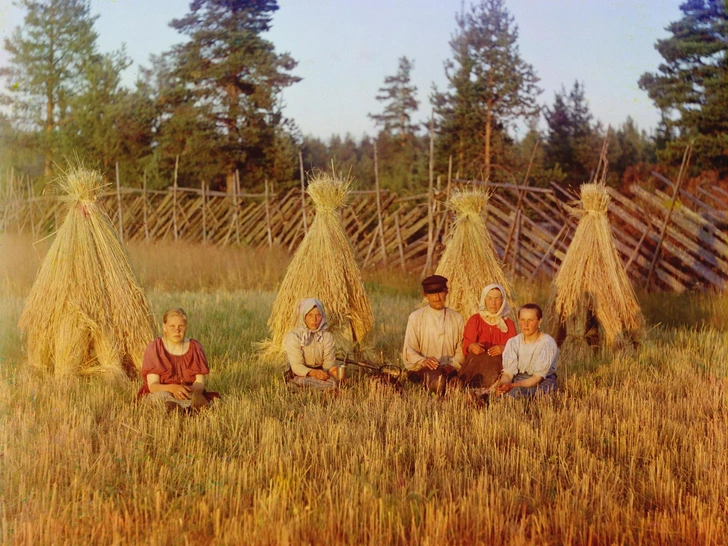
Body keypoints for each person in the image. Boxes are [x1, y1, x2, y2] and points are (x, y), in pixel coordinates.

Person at [138, 308, 218, 412]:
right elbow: (153, 386)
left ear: (186, 327)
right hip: (163, 391)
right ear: (164, 327)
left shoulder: (195, 347)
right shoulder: (155, 347)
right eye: (172, 326)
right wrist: (173, 388)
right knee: (162, 397)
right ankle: (177, 409)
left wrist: (184, 391)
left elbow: (200, 383)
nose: (177, 330)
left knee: (195, 396)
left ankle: (190, 407)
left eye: (181, 326)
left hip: (188, 392)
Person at [402, 275, 465, 394]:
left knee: (457, 387)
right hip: (423, 369)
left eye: (440, 292)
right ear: (425, 295)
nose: (437, 298)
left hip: (450, 370)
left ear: (447, 292)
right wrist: (423, 361)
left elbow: (461, 349)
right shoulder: (416, 317)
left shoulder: (457, 318)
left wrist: (452, 365)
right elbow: (409, 350)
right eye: (432, 294)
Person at [491, 303, 558, 399]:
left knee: (518, 394)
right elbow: (508, 374)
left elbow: (536, 378)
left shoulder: (547, 343)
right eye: (522, 320)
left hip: (542, 380)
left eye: (530, 320)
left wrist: (513, 386)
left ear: (539, 321)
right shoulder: (513, 342)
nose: (526, 324)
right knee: (500, 395)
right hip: (519, 379)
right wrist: (504, 386)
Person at [458, 284, 517, 388]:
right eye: (489, 298)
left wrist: (504, 348)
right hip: (476, 365)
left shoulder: (508, 324)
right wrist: (472, 347)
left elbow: (514, 349)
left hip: (498, 366)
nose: (493, 303)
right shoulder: (475, 320)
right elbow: (466, 345)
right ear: (484, 300)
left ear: (502, 301)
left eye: (497, 299)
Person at [283, 298, 342, 390]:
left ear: (322, 317)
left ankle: (312, 389)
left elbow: (328, 363)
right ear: (304, 316)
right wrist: (313, 373)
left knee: (334, 382)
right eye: (310, 315)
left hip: (320, 373)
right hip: (300, 374)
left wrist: (327, 373)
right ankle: (296, 385)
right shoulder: (294, 336)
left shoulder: (327, 337)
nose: (314, 319)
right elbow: (296, 365)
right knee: (305, 381)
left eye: (318, 315)